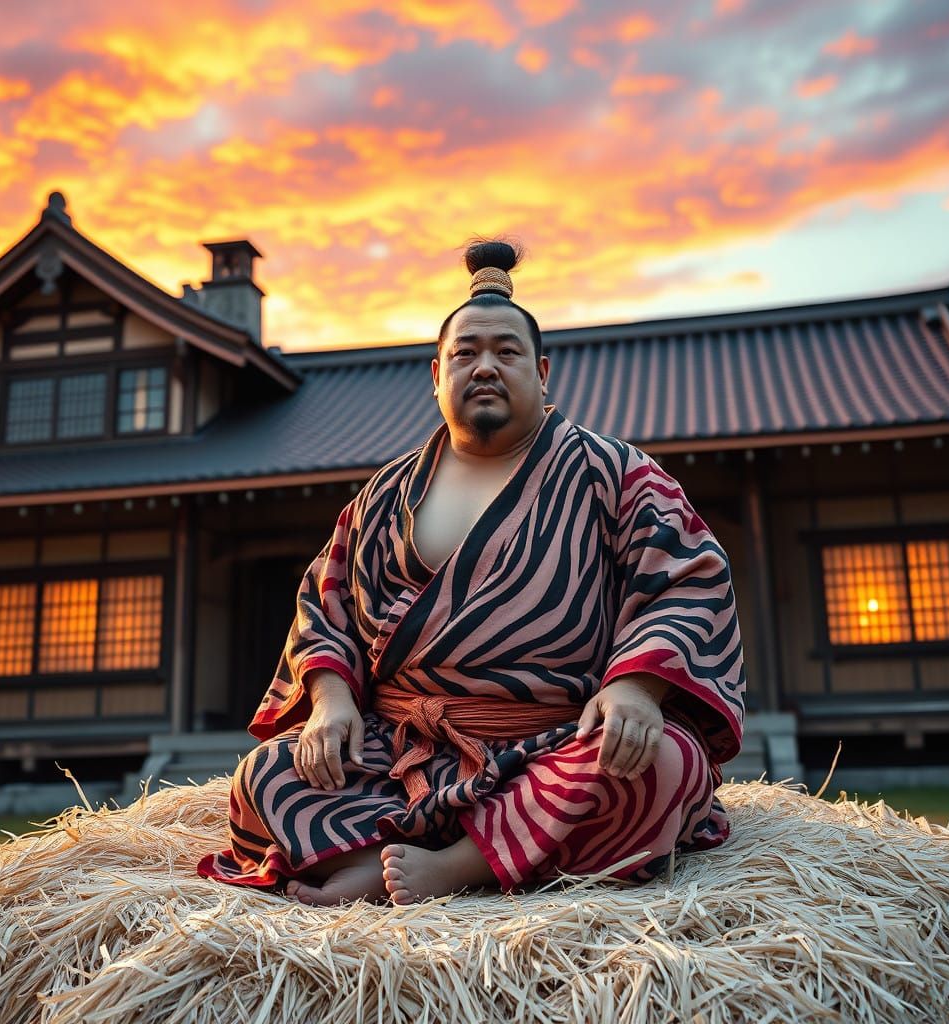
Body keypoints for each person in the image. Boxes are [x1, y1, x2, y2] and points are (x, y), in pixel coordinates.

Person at [196, 239, 746, 906]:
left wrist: (637, 689)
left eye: (506, 352)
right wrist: (331, 703)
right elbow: (326, 603)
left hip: (554, 744)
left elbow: (688, 579)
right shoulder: (383, 495)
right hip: (396, 753)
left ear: (542, 372)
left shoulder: (616, 473)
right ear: (436, 375)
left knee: (661, 766)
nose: (485, 366)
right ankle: (405, 851)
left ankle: (455, 865)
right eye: (466, 353)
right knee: (265, 776)